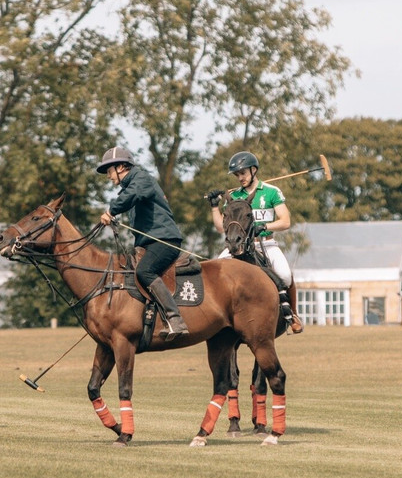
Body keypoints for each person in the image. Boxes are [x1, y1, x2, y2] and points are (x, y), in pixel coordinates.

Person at [97, 146, 190, 341]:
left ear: (121, 166)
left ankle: (175, 319)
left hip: (164, 240)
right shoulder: (132, 186)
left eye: (109, 170)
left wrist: (111, 211)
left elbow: (130, 197)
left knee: (144, 271)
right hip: (148, 243)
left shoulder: (141, 179)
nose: (108, 176)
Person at [207, 150, 301, 329]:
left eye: (242, 173)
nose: (240, 178)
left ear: (253, 170)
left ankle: (293, 315)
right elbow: (221, 228)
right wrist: (214, 207)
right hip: (239, 247)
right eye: (237, 175)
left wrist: (264, 226)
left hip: (266, 244)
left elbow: (285, 221)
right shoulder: (234, 196)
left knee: (285, 275)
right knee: (215, 275)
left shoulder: (272, 192)